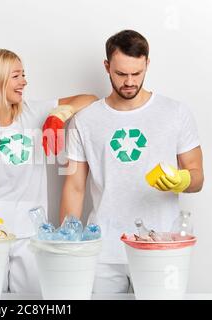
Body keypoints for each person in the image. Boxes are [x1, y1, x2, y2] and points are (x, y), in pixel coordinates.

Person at [60, 30, 204, 293]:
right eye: (121, 74)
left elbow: (197, 176)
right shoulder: (85, 120)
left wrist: (182, 180)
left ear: (147, 64)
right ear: (107, 67)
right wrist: (65, 241)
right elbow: (74, 186)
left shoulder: (175, 112)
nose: (129, 81)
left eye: (136, 74)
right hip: (102, 247)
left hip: (161, 246)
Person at [0, 48, 97, 293]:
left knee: (32, 301)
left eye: (23, 74)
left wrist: (61, 114)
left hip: (30, 234)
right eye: (16, 76)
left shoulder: (34, 112)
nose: (24, 82)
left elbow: (90, 98)